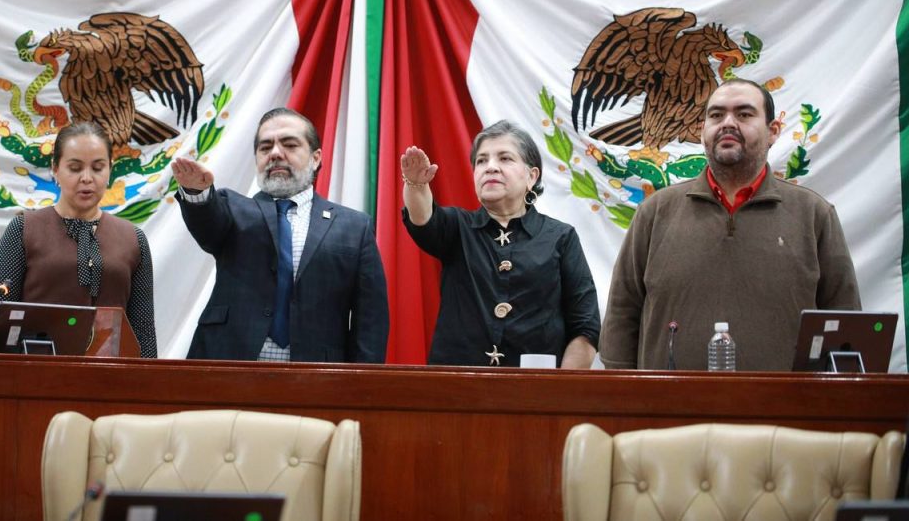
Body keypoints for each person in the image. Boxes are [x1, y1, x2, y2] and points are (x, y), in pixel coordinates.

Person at [600, 78, 861, 371]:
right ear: (703, 131)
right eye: (716, 115)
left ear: (773, 131)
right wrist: (623, 390)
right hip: (670, 400)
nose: (727, 123)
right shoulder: (655, 212)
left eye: (744, 114)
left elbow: (845, 324)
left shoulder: (814, 214)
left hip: (785, 402)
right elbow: (622, 313)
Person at [171, 107, 389, 362]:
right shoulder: (231, 207)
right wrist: (197, 193)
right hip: (228, 365)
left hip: (316, 374)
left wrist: (362, 381)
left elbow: (371, 319)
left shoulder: (354, 227)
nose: (275, 153)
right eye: (265, 148)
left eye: (290, 144)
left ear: (316, 158)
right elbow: (207, 225)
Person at [401, 120, 601, 368]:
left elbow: (585, 326)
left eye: (505, 158)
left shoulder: (561, 237)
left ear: (531, 176)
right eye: (481, 161)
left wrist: (558, 387)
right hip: (456, 386)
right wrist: (416, 185)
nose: (491, 167)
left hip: (533, 388)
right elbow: (422, 218)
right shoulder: (457, 227)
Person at [0, 122, 157, 357]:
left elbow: (143, 332)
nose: (87, 178)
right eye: (75, 168)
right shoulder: (23, 230)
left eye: (98, 168)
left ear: (110, 170)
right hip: (35, 373)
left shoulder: (133, 239)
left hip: (111, 376)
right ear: (55, 169)